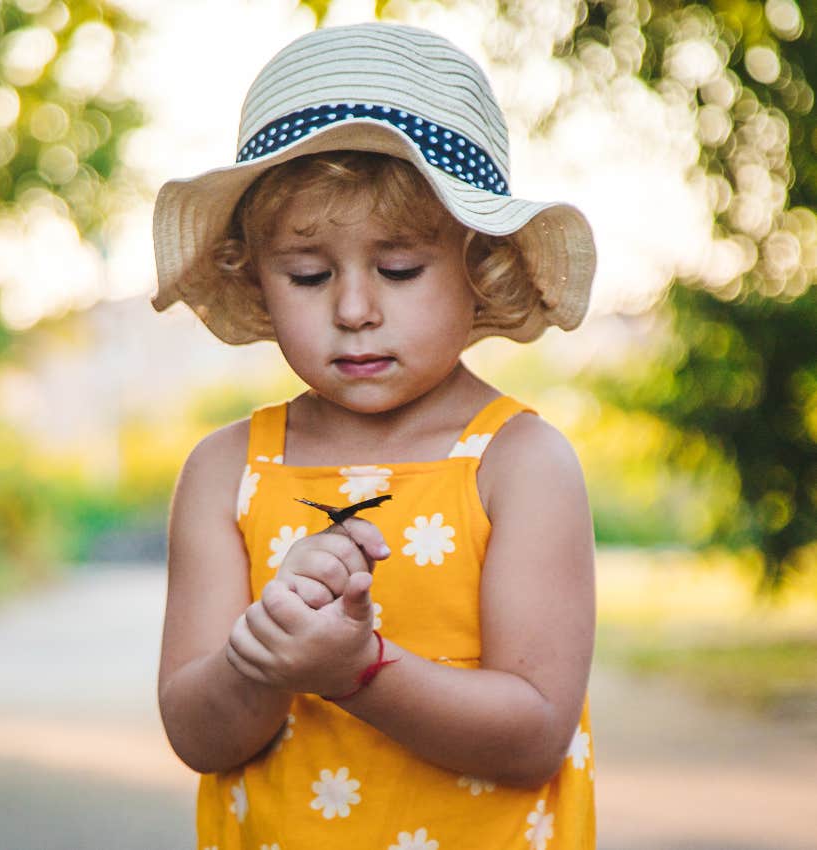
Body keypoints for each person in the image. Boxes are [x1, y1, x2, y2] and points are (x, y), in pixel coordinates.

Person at [152, 21, 597, 850]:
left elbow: (534, 736)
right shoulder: (227, 472)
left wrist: (358, 673)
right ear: (254, 276)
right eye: (309, 274)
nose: (354, 310)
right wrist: (264, 657)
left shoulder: (519, 464)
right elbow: (199, 737)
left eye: (399, 269)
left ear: (483, 262)